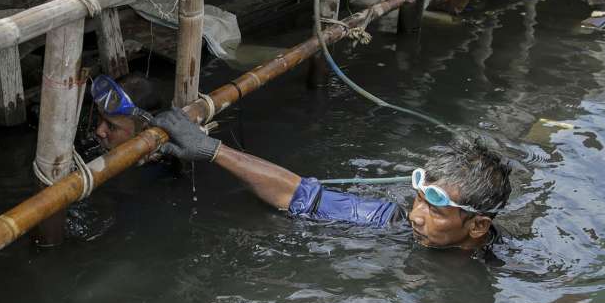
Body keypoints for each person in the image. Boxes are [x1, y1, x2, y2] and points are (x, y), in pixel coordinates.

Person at [152, 108, 512, 253]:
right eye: (418, 199)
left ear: (478, 226)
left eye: (434, 210)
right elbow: (303, 196)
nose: (416, 215)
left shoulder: (514, 265)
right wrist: (213, 150)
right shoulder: (392, 221)